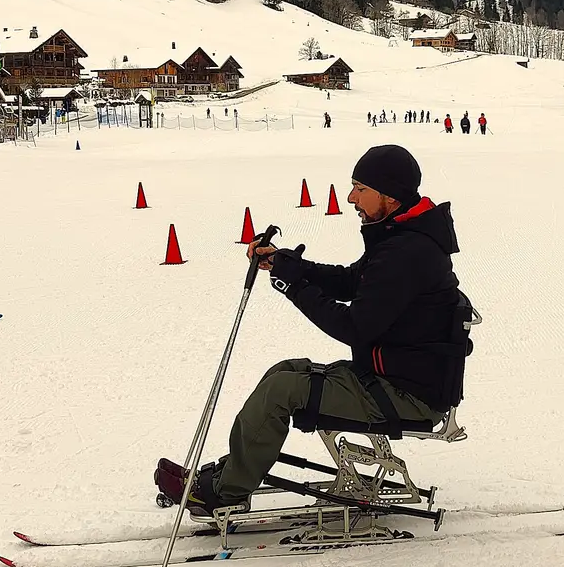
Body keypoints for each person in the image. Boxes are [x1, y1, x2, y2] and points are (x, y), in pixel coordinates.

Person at [154, 146, 461, 512]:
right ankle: (234, 471)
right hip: (392, 376)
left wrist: (294, 286)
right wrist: (290, 265)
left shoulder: (407, 251)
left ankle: (225, 494)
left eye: (360, 188)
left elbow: (354, 326)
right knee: (285, 372)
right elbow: (353, 282)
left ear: (389, 195)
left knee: (284, 390)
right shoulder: (401, 236)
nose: (351, 198)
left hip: (406, 394)